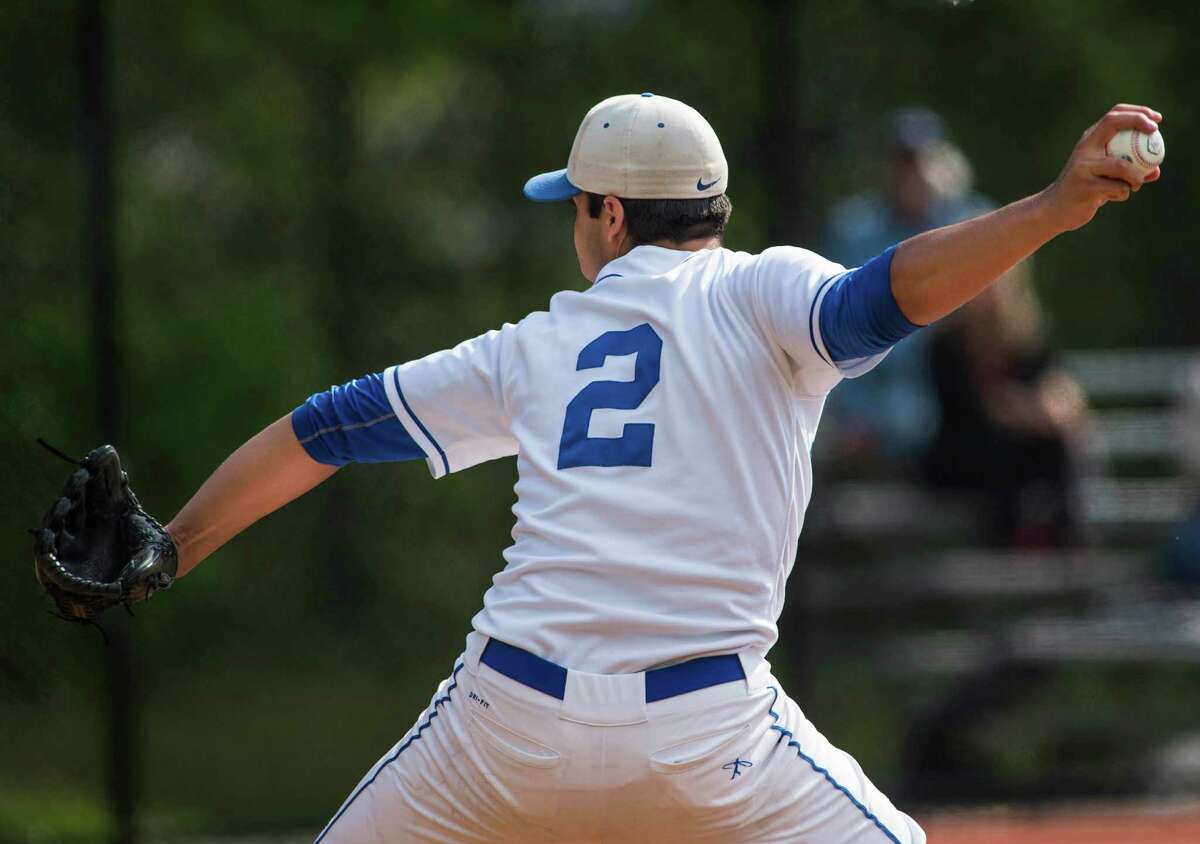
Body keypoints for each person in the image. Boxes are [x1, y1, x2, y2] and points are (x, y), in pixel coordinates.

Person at [162, 94, 1161, 842]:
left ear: (606, 215)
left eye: (574, 205)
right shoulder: (766, 294)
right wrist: (1050, 207)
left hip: (507, 722)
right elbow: (885, 297)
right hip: (710, 735)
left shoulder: (527, 346)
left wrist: (168, 548)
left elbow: (321, 429)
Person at [823, 108, 995, 469]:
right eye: (903, 163)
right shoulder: (855, 230)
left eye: (921, 162)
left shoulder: (978, 224)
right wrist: (853, 415)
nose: (913, 175)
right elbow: (832, 328)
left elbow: (1009, 331)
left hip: (962, 412)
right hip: (873, 415)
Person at [921, 260, 1090, 546]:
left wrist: (1039, 412)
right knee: (1003, 453)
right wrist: (1027, 411)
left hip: (1017, 440)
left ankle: (1066, 536)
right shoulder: (947, 345)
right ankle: (1010, 541)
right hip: (961, 452)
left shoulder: (1029, 340)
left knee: (1059, 443)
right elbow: (975, 411)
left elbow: (1058, 395)